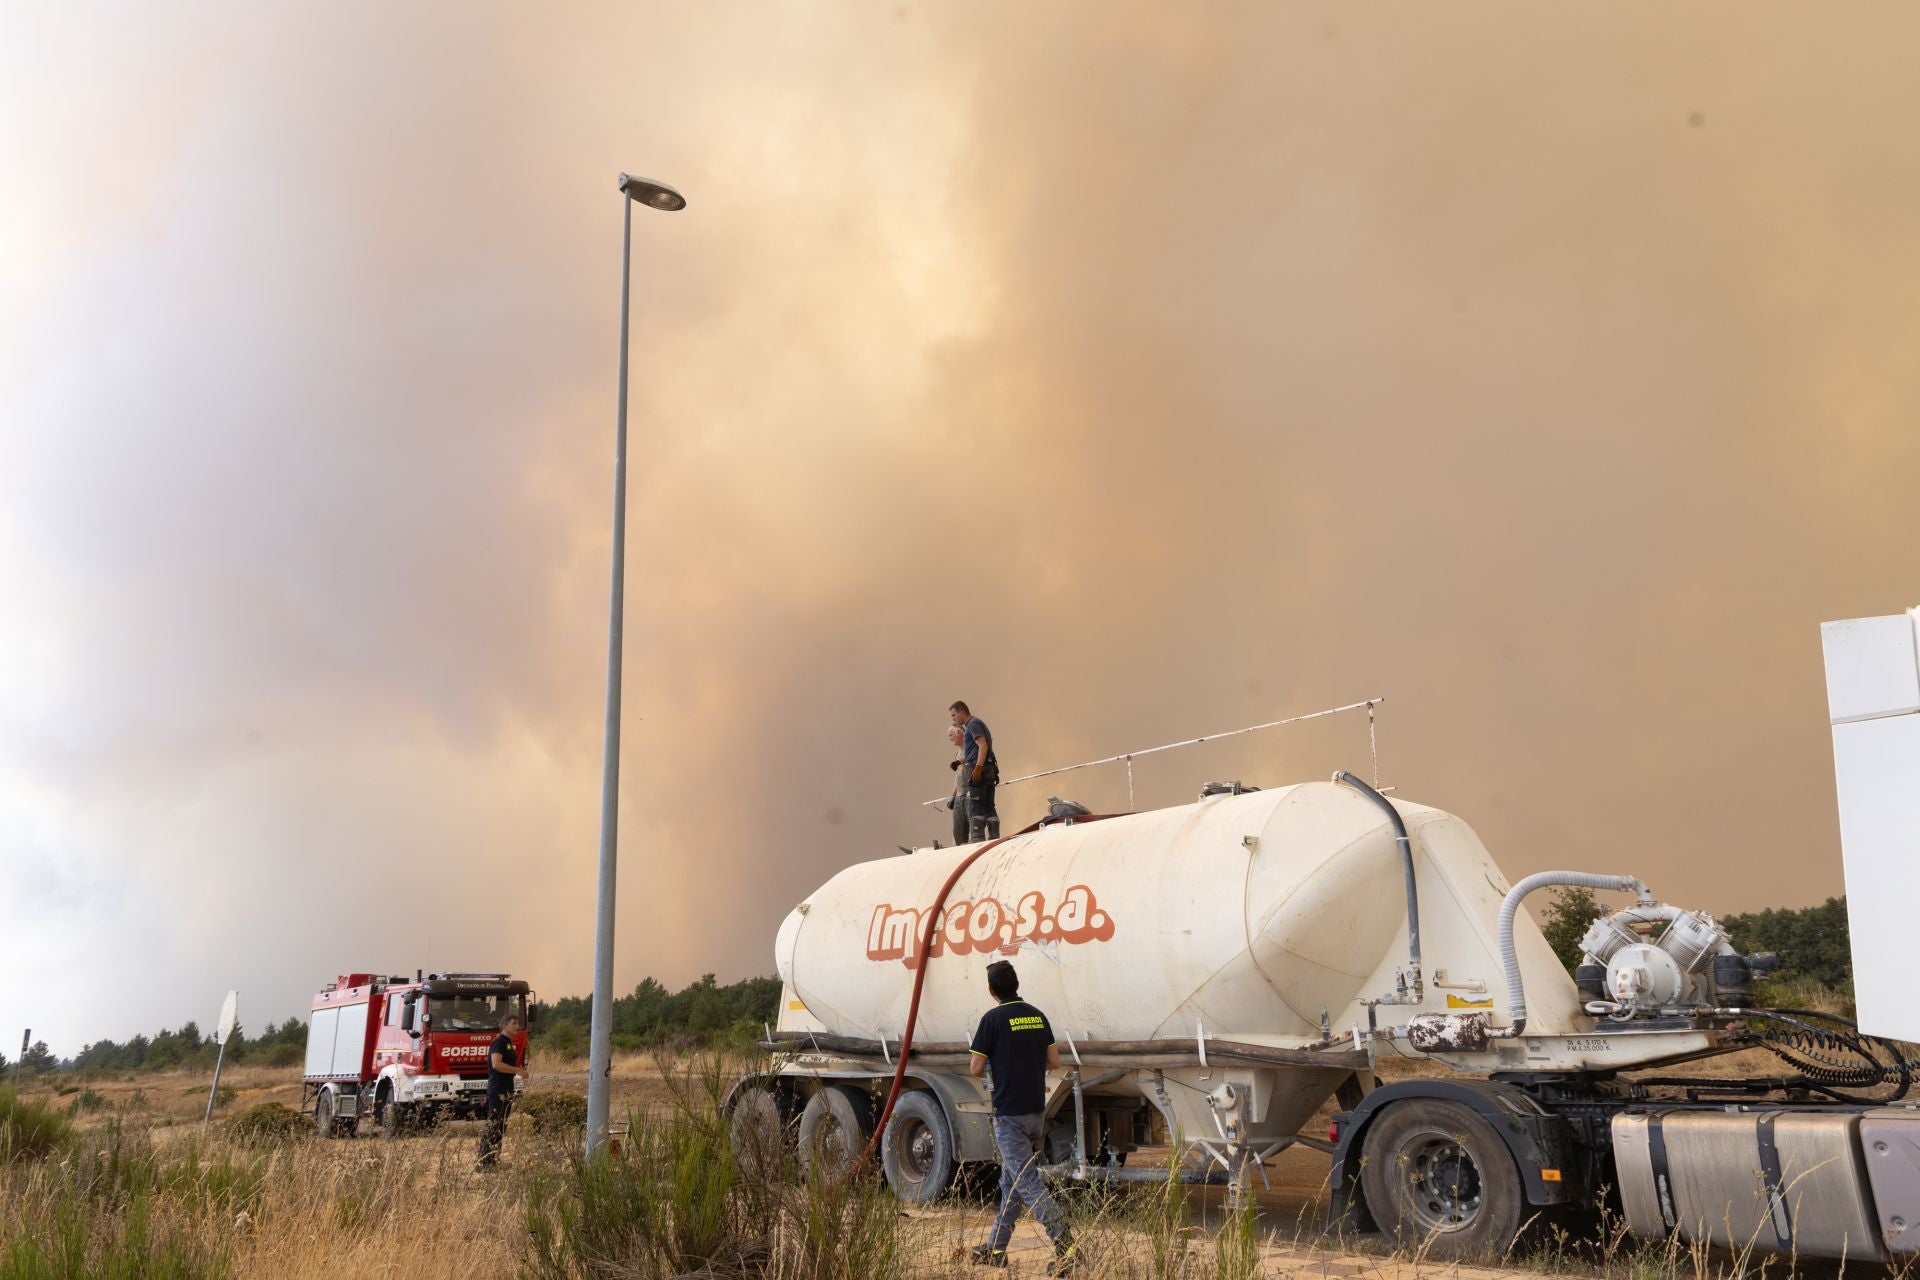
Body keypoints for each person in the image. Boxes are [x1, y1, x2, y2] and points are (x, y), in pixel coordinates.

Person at [968, 960, 1075, 1274]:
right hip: (1035, 1113)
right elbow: (1053, 1061)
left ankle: (1067, 1244)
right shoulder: (1037, 1015)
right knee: (1011, 1183)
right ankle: (996, 1248)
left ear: (992, 990)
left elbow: (975, 1068)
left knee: (1027, 1183)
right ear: (1016, 984)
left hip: (1009, 1116)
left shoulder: (992, 1019)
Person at [475, 1011, 529, 1169]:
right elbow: (496, 1064)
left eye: (518, 1024)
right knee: (494, 1123)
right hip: (498, 1087)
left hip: (507, 1087)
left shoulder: (508, 1043)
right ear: (504, 1025)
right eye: (514, 1023)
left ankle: (493, 1159)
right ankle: (484, 1162)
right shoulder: (498, 1042)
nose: (517, 1027)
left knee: (501, 1125)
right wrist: (518, 1070)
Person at [949, 700, 1000, 842]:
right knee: (989, 806)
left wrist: (977, 768)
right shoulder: (975, 724)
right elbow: (975, 751)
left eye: (954, 715)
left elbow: (982, 746)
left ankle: (977, 839)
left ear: (961, 712)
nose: (953, 719)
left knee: (976, 806)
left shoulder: (973, 724)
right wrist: (959, 761)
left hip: (980, 772)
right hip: (988, 771)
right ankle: (994, 836)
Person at [947, 724, 972, 846]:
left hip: (970, 795)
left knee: (974, 831)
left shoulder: (972, 748)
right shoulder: (957, 753)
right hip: (959, 797)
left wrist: (958, 762)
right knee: (957, 833)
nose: (950, 738)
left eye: (951, 735)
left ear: (959, 733)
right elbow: (957, 777)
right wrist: (952, 797)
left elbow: (973, 757)